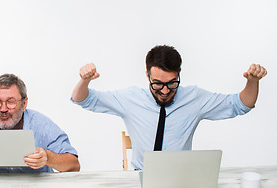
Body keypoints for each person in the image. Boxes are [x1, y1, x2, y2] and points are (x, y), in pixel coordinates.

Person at [71, 45, 267, 170]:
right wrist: (84, 80)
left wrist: (252, 82)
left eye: (172, 83)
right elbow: (82, 99)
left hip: (181, 177)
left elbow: (241, 105)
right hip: (140, 177)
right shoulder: (130, 99)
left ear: (179, 74)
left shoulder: (194, 98)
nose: (164, 91)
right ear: (147, 76)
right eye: (157, 83)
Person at [0, 73, 80, 173]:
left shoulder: (41, 124)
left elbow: (74, 165)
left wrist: (48, 158)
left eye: (11, 102)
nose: (3, 108)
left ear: (24, 104)